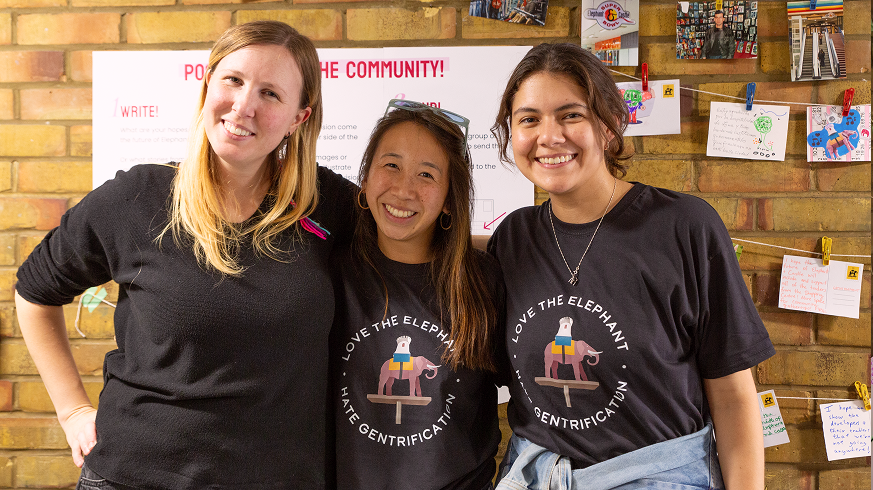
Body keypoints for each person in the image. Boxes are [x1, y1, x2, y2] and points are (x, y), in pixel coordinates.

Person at [14, 21, 357, 489]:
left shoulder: (327, 204)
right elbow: (34, 291)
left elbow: (410, 243)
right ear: (208, 84)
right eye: (233, 80)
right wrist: (72, 410)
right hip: (133, 477)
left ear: (299, 117)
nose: (244, 106)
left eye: (270, 93)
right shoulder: (138, 197)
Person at [487, 43, 773, 489]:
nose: (549, 136)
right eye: (529, 120)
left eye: (570, 115)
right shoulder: (513, 239)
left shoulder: (686, 227)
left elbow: (734, 398)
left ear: (608, 125)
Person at [331, 101, 506, 489]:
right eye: (391, 165)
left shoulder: (483, 282)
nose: (403, 189)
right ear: (365, 179)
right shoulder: (329, 275)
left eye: (426, 174)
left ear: (449, 200)